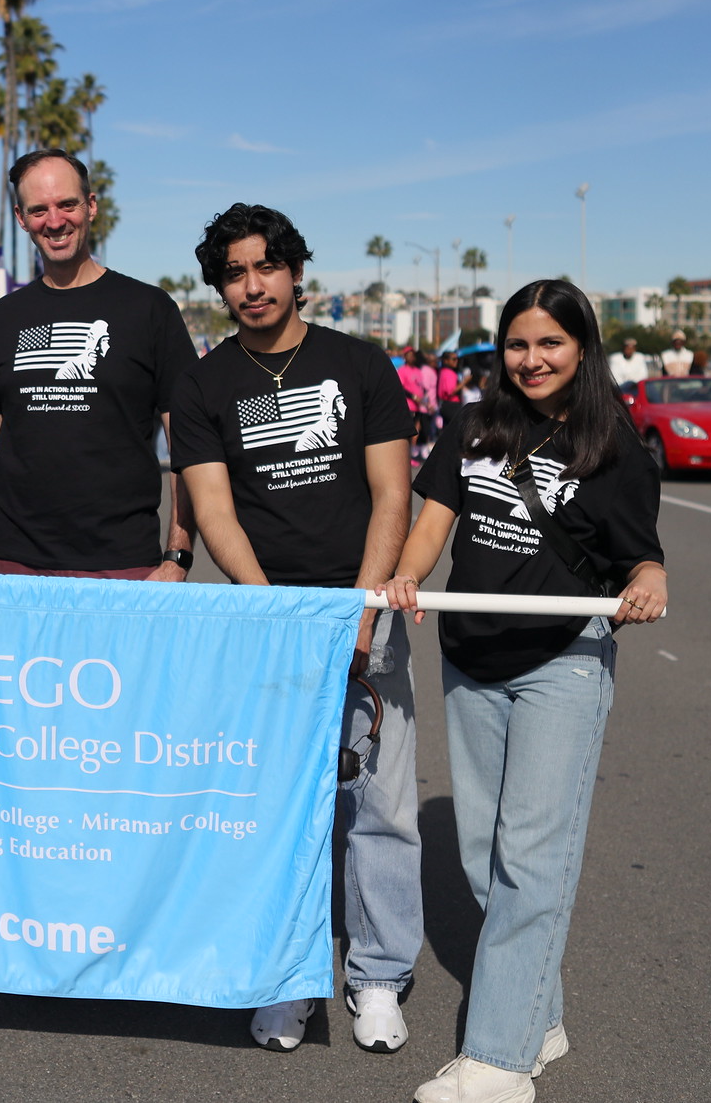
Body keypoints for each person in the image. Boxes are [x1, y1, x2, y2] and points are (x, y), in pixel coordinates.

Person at [378, 279, 667, 1103]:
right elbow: (434, 520)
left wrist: (650, 580)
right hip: (472, 659)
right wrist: (406, 577)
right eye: (517, 343)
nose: (532, 359)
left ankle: (500, 1062)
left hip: (563, 663)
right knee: (483, 858)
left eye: (550, 343)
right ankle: (539, 1018)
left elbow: (640, 555)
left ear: (582, 348)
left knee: (533, 861)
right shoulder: (474, 426)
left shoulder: (613, 447)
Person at [168, 204, 421, 1056]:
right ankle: (286, 973)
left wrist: (363, 607)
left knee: (380, 805)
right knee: (275, 808)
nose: (251, 285)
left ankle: (379, 974)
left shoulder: (359, 362)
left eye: (265, 267)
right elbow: (212, 509)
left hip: (364, 610)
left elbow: (392, 494)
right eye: (234, 273)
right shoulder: (203, 385)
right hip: (266, 621)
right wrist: (276, 612)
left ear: (294, 271)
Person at [0, 149, 198, 581]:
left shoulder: (148, 309)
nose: (54, 221)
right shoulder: (2, 318)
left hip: (125, 565)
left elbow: (186, 440)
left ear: (90, 206)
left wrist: (177, 557)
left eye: (66, 204)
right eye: (38, 210)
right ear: (21, 217)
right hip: (12, 566)